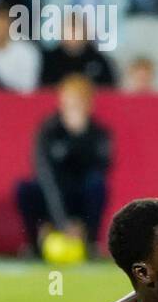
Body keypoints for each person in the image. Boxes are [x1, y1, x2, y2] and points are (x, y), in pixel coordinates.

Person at [15, 74, 111, 255]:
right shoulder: (48, 130)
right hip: (53, 195)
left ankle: (90, 242)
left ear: (88, 104)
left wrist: (79, 137)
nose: (72, 107)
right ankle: (35, 244)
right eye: (69, 100)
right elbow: (45, 176)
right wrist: (62, 222)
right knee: (25, 188)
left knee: (97, 184)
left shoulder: (99, 133)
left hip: (81, 196)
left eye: (78, 102)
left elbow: (100, 171)